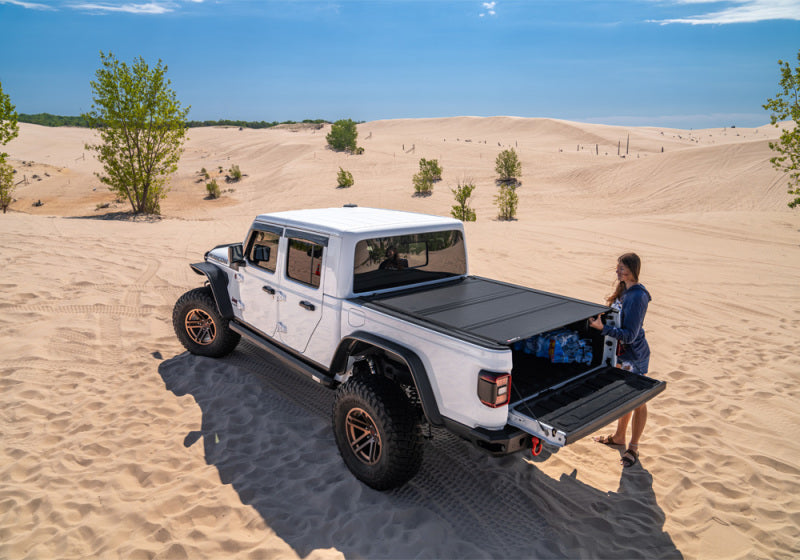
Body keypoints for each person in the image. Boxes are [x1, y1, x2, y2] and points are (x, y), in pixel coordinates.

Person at [588, 252, 651, 468]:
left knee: (639, 401)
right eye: (617, 268)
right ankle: (619, 437)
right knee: (626, 398)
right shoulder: (624, 291)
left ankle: (633, 447)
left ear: (633, 270)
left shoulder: (638, 296)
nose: (618, 272)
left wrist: (602, 328)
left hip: (634, 356)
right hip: (620, 354)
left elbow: (630, 335)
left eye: (622, 269)